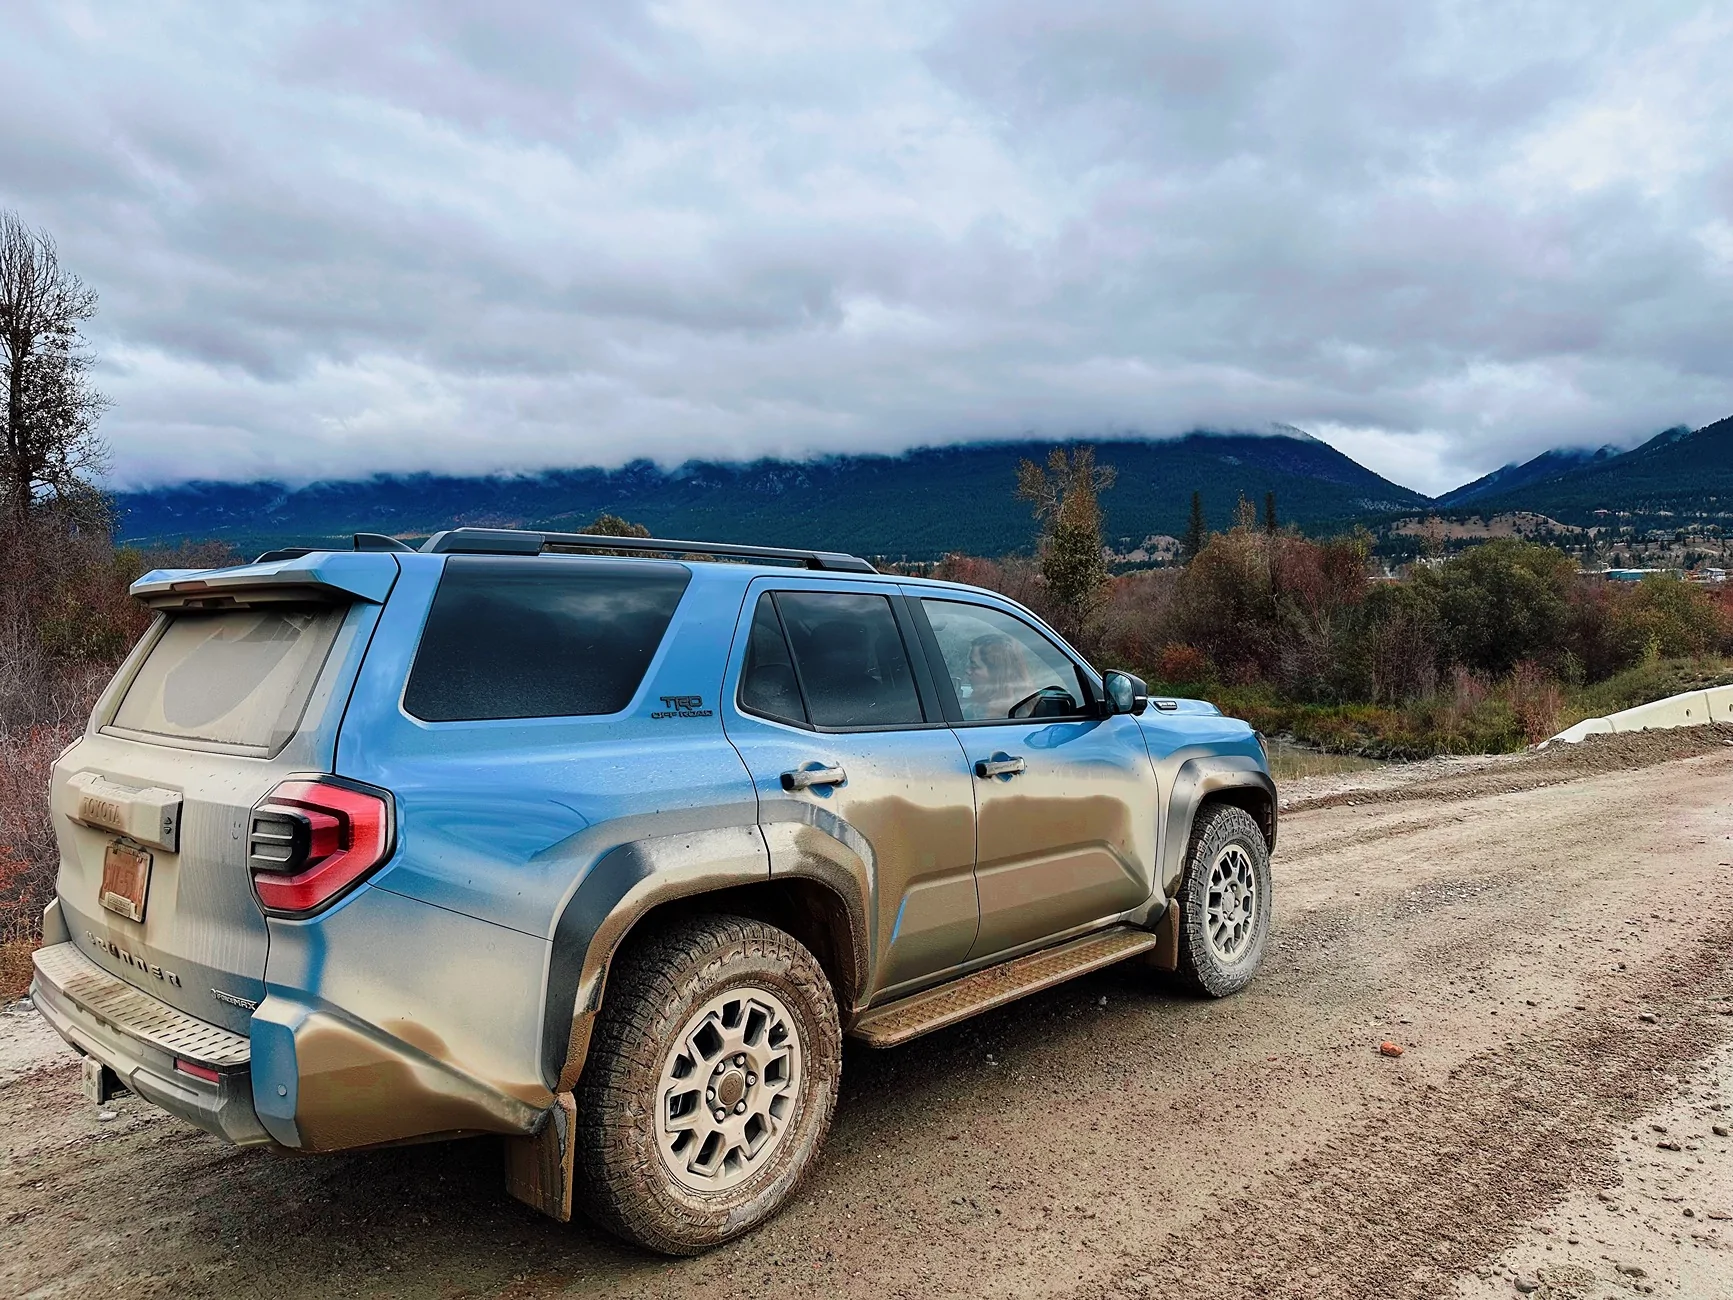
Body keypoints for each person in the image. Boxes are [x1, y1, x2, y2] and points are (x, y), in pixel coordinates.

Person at [965, 632, 1037, 720]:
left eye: (974, 666)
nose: (968, 671)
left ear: (997, 674)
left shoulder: (1014, 716)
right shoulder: (974, 708)